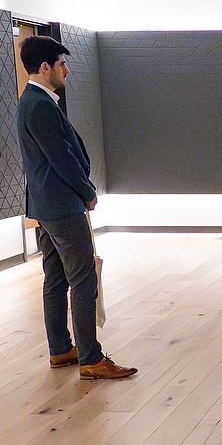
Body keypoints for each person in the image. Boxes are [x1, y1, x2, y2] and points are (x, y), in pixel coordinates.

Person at [16, 36, 136, 380]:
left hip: (45, 206)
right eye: (62, 64)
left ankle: (60, 350)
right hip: (62, 206)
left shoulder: (34, 100)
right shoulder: (39, 104)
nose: (66, 70)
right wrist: (87, 192)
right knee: (83, 279)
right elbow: (62, 159)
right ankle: (91, 358)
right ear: (45, 68)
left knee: (55, 279)